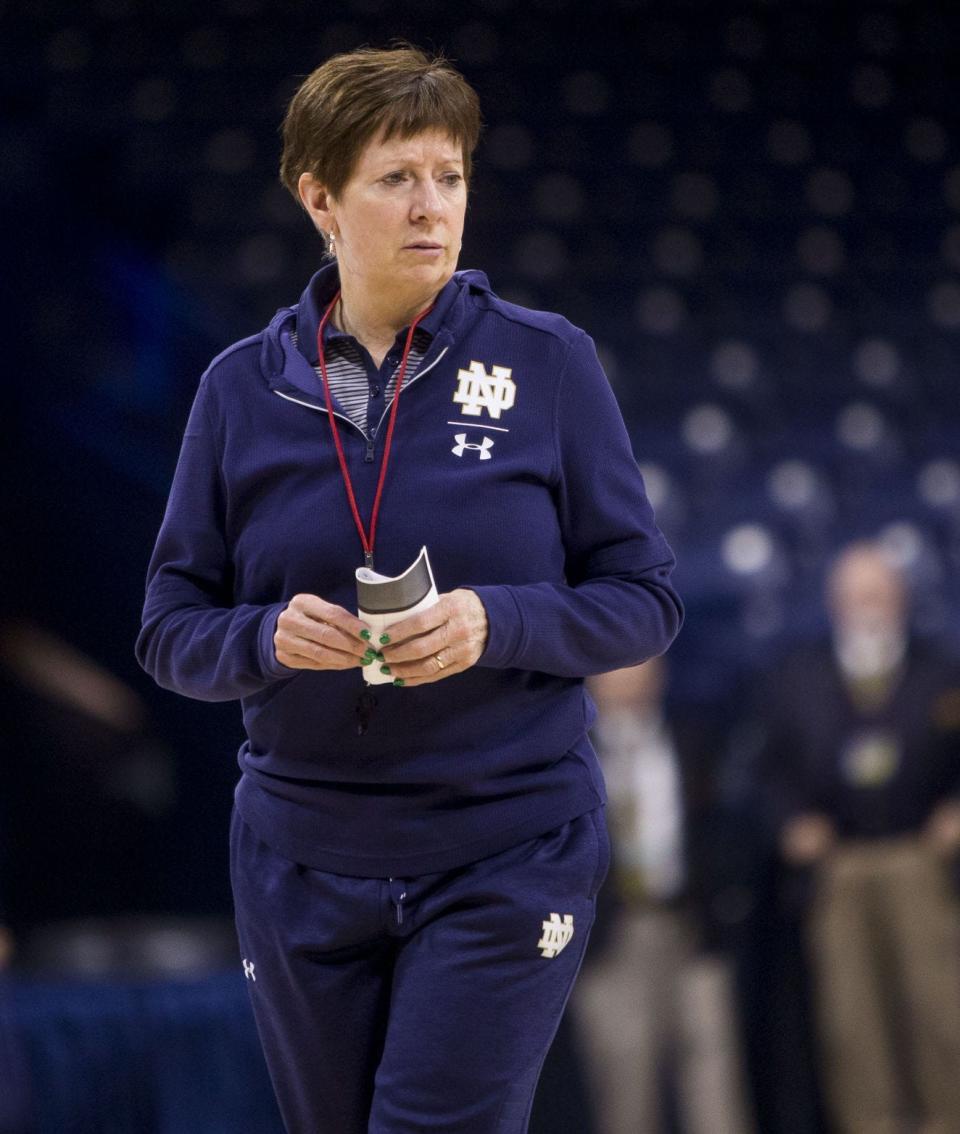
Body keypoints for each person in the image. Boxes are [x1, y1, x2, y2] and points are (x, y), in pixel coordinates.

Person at [136, 44, 682, 1134]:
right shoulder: (238, 389)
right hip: (300, 852)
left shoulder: (549, 363)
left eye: (452, 176)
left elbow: (646, 599)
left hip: (506, 843)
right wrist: (265, 638)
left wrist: (499, 621)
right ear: (320, 198)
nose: (433, 207)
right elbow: (167, 630)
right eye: (397, 178)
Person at [756, 541, 960, 1134]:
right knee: (852, 1023)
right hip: (838, 868)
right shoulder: (797, 676)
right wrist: (792, 821)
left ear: (900, 597)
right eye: (855, 593)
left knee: (939, 1011)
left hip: (919, 860)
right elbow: (767, 771)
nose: (868, 605)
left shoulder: (940, 669)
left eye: (879, 591)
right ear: (833, 602)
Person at [574, 657, 754, 1134]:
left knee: (714, 1075)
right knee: (626, 1086)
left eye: (643, 664)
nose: (631, 676)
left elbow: (724, 830)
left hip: (691, 926)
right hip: (611, 938)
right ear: (592, 676)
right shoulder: (570, 755)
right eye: (618, 665)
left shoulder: (694, 739)